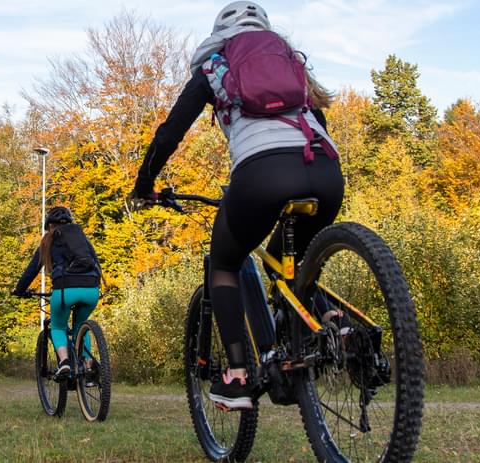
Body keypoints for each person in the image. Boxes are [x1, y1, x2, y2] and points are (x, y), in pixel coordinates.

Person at [129, 1, 344, 410]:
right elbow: (320, 122)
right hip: (325, 172)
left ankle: (239, 375)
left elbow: (170, 133)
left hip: (261, 174)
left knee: (224, 263)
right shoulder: (292, 65)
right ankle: (333, 322)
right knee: (284, 258)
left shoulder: (214, 67)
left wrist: (144, 184)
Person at [11, 206, 103, 377]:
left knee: (58, 327)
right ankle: (88, 365)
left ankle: (65, 363)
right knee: (81, 323)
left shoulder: (48, 241)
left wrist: (19, 290)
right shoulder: (82, 238)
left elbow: (32, 270)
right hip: (92, 289)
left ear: (49, 226)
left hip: (65, 291)